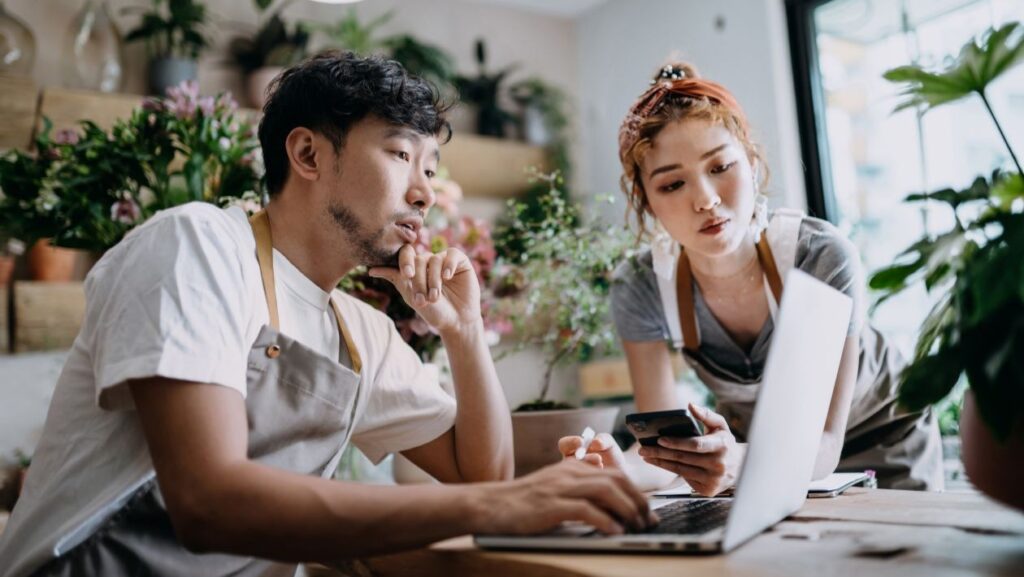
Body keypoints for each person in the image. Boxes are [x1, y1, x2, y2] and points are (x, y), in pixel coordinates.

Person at [0, 52, 653, 577]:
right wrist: (500, 502)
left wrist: (463, 331)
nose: (425, 191)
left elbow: (484, 476)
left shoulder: (358, 328)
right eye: (401, 155)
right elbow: (207, 501)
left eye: (431, 167)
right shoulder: (197, 245)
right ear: (308, 154)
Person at [560, 61, 943, 495]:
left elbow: (824, 445)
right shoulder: (642, 286)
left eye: (720, 167)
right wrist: (617, 470)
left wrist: (738, 459)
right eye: (672, 185)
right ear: (646, 202)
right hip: (764, 452)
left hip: (884, 436)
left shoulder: (819, 257)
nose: (705, 199)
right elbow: (666, 454)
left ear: (751, 161)